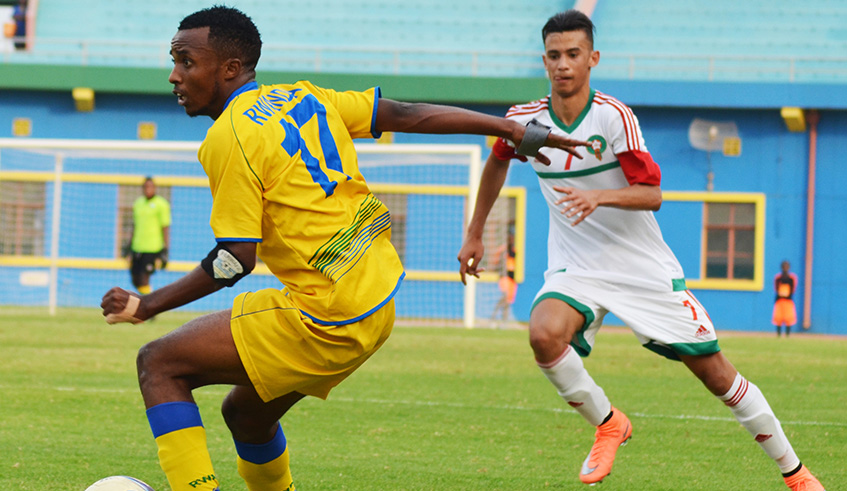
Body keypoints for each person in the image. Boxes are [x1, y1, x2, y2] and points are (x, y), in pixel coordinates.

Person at [99, 6, 589, 491]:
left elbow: (233, 260)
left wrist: (148, 305)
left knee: (159, 363)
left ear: (229, 70)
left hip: (327, 313)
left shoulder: (229, 137)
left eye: (186, 61)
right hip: (376, 299)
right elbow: (404, 113)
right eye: (174, 60)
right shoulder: (302, 96)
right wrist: (508, 128)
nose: (174, 75)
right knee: (245, 414)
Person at [457, 10, 824, 490]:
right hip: (577, 267)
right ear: (543, 61)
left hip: (640, 268)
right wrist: (475, 232)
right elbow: (497, 164)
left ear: (593, 58)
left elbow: (652, 193)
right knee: (544, 335)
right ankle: (608, 423)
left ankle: (795, 474)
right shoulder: (526, 121)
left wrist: (599, 196)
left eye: (573, 54)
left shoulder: (613, 118)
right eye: (553, 55)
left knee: (716, 376)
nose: (563, 64)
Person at [124, 177, 171, 296]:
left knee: (144, 278)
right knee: (135, 279)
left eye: (150, 186)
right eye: (145, 187)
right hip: (137, 246)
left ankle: (149, 307)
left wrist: (165, 249)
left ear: (155, 188)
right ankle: (149, 301)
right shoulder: (138, 203)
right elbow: (134, 226)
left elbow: (165, 227)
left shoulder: (161, 204)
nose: (147, 189)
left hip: (153, 247)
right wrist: (129, 245)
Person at [490, 227, 517, 326]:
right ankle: (493, 317)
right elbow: (496, 262)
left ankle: (504, 321)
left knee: (508, 301)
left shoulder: (515, 250)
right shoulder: (503, 250)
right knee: (504, 297)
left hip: (512, 279)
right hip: (504, 277)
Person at [773, 260, 798, 337]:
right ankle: (778, 334)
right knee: (778, 318)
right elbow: (776, 288)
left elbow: (793, 288)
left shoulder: (792, 278)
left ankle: (787, 334)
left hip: (788, 300)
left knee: (788, 318)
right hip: (779, 300)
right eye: (784, 267)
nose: (785, 268)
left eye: (787, 267)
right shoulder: (778, 278)